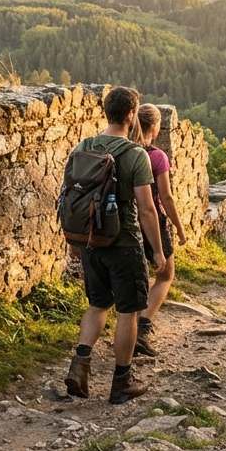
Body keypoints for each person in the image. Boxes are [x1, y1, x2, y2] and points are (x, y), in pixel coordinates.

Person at [63, 86, 167, 404]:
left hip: (91, 242)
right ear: (132, 114)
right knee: (128, 312)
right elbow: (147, 209)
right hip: (123, 244)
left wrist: (74, 240)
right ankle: (121, 381)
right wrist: (158, 250)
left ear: (106, 111)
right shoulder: (135, 155)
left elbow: (71, 196)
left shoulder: (83, 146)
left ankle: (79, 367)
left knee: (97, 305)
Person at [128, 103, 188, 357]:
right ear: (155, 127)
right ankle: (143, 326)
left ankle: (129, 327)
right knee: (165, 274)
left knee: (132, 279)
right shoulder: (156, 157)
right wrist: (180, 229)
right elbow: (166, 197)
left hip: (125, 223)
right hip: (153, 223)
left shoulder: (125, 151)